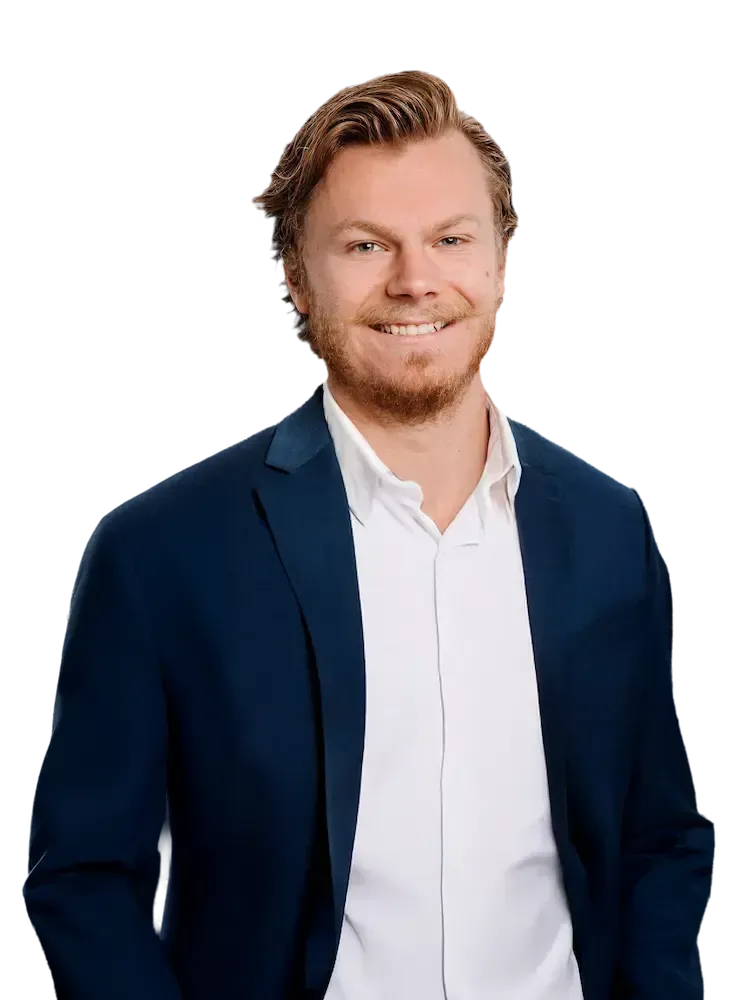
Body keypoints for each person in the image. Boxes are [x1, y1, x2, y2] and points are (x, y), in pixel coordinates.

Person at [24, 69, 717, 999]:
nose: (413, 280)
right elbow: (83, 883)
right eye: (363, 245)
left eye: (450, 239)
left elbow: (656, 837)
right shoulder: (160, 553)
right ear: (297, 279)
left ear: (500, 263)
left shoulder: (607, 527)